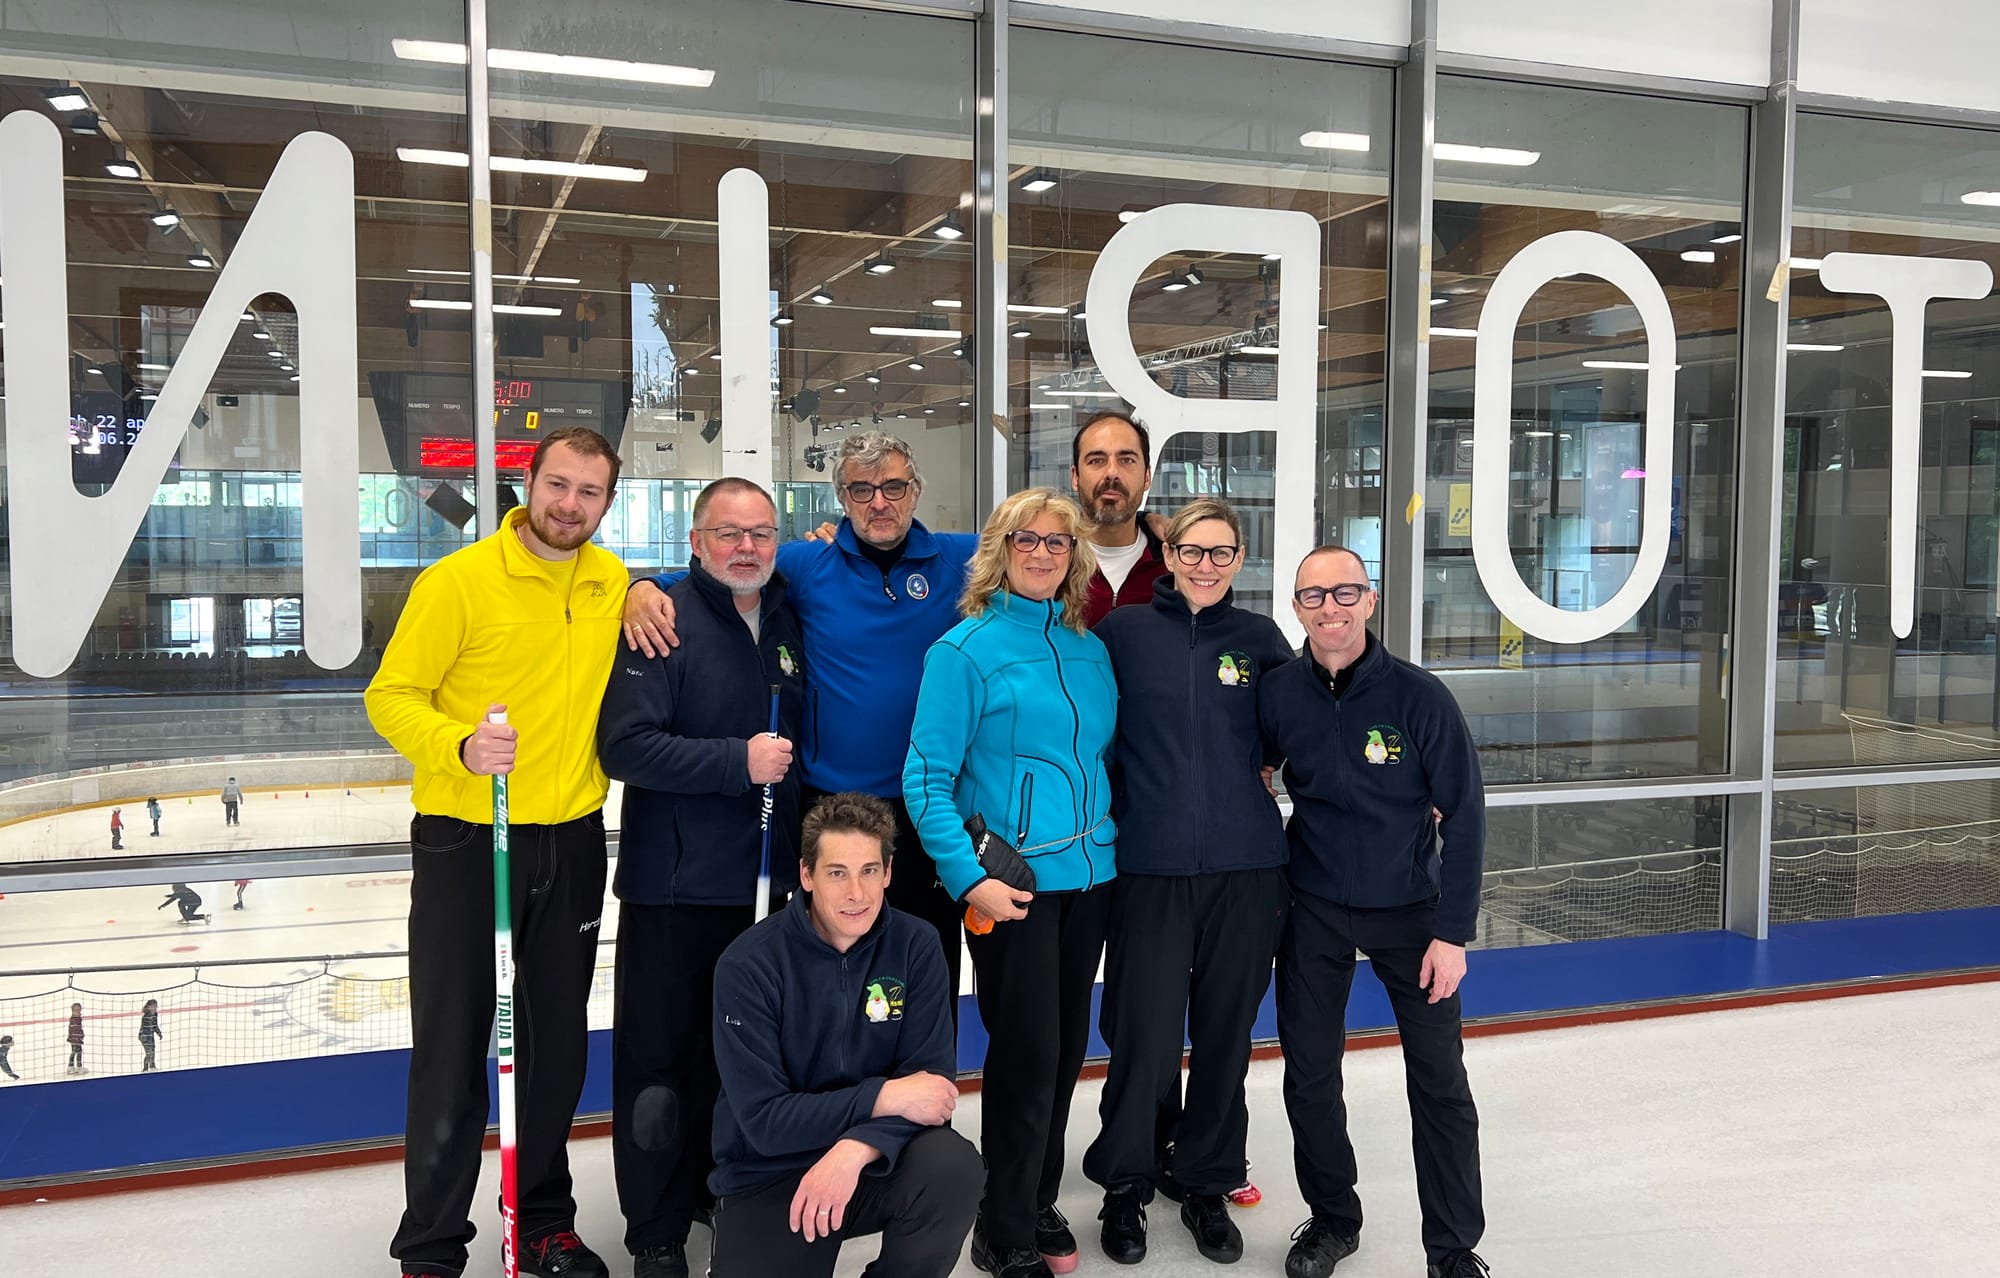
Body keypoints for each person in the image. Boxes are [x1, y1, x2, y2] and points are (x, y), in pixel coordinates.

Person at [365, 426, 629, 1278]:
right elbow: (389, 696)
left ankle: (545, 1222)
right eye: (558, 485)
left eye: (590, 492)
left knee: (555, 1048)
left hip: (573, 838)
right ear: (529, 481)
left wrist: (649, 591)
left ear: (606, 502)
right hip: (468, 843)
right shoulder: (459, 583)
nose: (570, 506)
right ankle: (432, 1244)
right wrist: (459, 746)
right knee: (452, 1048)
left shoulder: (609, 580)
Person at [622, 432, 980, 1021]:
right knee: (832, 974)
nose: (879, 502)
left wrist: (1153, 537)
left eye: (893, 486)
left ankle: (920, 1100)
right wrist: (641, 588)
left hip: (927, 807)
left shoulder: (961, 559)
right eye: (861, 490)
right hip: (831, 807)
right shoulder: (805, 563)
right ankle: (837, 1104)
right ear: (841, 496)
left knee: (923, 967)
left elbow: (1045, 549)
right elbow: (719, 572)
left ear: (915, 491)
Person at [904, 487, 1119, 1278]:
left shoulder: (1088, 647)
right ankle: (1003, 1228)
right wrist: (968, 883)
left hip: (1091, 880)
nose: (1040, 553)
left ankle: (1031, 1196)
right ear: (999, 551)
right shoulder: (962, 651)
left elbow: (1098, 762)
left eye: (1056, 544)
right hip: (1011, 886)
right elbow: (926, 779)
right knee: (1027, 1057)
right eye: (1025, 540)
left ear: (1074, 559)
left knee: (1065, 1057)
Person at [597, 477, 808, 1278]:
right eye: (728, 533)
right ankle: (654, 1228)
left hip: (766, 892)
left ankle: (715, 1192)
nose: (746, 547)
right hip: (674, 894)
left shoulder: (788, 620)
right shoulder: (664, 619)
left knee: (738, 1063)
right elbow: (625, 746)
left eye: (760, 532)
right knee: (659, 1064)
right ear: (695, 540)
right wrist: (735, 764)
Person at [1259, 547, 1490, 1278]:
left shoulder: (1421, 698)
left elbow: (1467, 816)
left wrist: (1452, 933)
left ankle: (1453, 1250)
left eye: (1345, 592)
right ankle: (1333, 1219)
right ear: (1295, 608)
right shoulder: (1278, 695)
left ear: (1371, 598)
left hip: (1413, 916)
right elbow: (1255, 761)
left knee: (1440, 1083)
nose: (1331, 608)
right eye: (1314, 596)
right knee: (1311, 1074)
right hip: (1315, 910)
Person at [1080, 499, 1294, 1266]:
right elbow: (1085, 741)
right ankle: (1126, 1186)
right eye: (1194, 551)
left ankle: (1205, 1181)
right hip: (1149, 867)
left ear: (1241, 559)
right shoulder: (1121, 636)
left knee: (1225, 1039)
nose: (1207, 565)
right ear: (1167, 554)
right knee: (1143, 1038)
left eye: (1223, 553)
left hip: (1248, 870)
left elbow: (1297, 735)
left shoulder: (1262, 640)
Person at [707, 792, 982, 1278]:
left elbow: (932, 1093)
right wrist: (884, 1095)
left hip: (874, 1155)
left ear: (889, 873)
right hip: (770, 1173)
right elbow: (765, 1122)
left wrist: (853, 1150)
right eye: (837, 872)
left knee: (953, 1169)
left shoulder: (916, 946)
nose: (857, 893)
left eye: (869, 871)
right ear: (807, 875)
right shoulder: (747, 966)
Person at [1072, 411, 1172, 627]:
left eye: (1126, 460)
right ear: (1075, 477)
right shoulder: (1046, 557)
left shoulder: (1175, 563)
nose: (1112, 472)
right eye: (1096, 460)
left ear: (1147, 477)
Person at [138, 998, 164, 1072]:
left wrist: (159, 1033)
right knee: (149, 1052)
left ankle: (152, 1065)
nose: (155, 1008)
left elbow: (155, 1025)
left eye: (156, 1006)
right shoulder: (146, 1016)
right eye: (153, 1006)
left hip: (150, 1036)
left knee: (153, 1050)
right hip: (144, 1036)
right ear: (148, 1007)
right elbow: (148, 1027)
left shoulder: (155, 1014)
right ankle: (145, 1068)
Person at [66, 1003, 85, 1074]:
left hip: (75, 1038)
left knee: (76, 1052)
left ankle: (73, 1066)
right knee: (76, 1052)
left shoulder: (77, 1018)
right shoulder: (75, 1019)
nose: (79, 1012)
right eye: (77, 1010)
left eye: (79, 1010)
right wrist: (78, 1036)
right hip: (75, 1039)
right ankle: (76, 1067)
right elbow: (75, 1029)